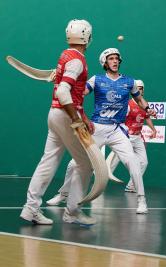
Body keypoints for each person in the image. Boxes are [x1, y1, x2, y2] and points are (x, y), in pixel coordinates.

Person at [46, 48, 156, 215]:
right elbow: (80, 91)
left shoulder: (129, 81)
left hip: (117, 130)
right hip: (97, 128)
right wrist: (61, 80)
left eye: (117, 59)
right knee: (75, 163)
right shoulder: (96, 79)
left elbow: (138, 98)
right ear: (105, 62)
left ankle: (142, 200)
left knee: (133, 162)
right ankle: (63, 194)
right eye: (111, 59)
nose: (115, 61)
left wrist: (148, 109)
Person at [20, 19, 94, 225]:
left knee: (48, 161)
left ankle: (31, 209)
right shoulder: (77, 60)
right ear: (87, 37)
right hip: (65, 116)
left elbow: (70, 90)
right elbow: (63, 91)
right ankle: (72, 212)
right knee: (85, 164)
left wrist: (82, 116)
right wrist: (76, 119)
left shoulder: (65, 55)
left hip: (54, 114)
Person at [109, 80, 157, 193]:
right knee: (114, 161)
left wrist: (153, 129)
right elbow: (120, 119)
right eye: (138, 88)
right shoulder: (128, 105)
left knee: (143, 162)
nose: (140, 90)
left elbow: (147, 117)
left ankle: (131, 186)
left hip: (138, 137)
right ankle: (100, 181)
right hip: (127, 137)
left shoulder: (145, 104)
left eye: (141, 88)